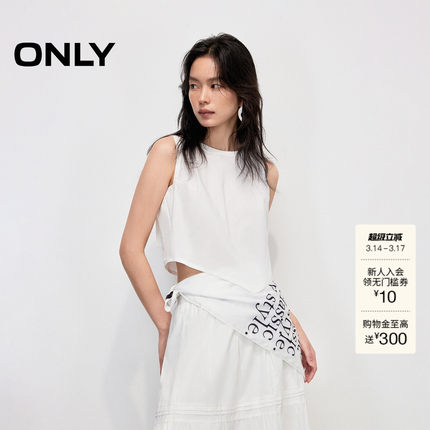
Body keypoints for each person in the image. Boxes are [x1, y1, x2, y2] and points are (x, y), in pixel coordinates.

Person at [119, 33, 317, 429]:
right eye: (194, 86)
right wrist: (165, 322)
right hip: (200, 322)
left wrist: (291, 324)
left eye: (215, 85)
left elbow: (247, 263)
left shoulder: (265, 173)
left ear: (242, 92)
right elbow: (130, 248)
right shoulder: (169, 154)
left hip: (263, 329)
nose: (202, 98)